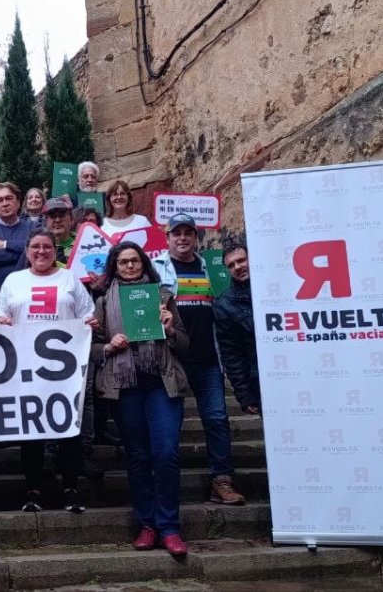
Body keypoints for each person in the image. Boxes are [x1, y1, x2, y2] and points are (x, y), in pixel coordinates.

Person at [93, 242, 190, 557]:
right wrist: (109, 345)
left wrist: (171, 329)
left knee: (165, 453)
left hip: (162, 383)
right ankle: (148, 525)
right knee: (137, 456)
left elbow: (186, 344)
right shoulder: (103, 301)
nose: (130, 266)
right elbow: (90, 346)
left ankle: (170, 527)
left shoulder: (162, 296)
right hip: (125, 386)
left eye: (135, 261)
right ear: (115, 266)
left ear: (144, 264)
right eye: (123, 262)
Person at [0, 229, 97, 513]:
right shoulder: (13, 280)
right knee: (31, 431)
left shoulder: (70, 279)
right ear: (27, 251)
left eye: (47, 247)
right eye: (35, 247)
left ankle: (70, 488)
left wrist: (90, 325)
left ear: (55, 250)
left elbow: (87, 315)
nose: (41, 251)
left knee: (68, 429)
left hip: (64, 367)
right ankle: (33, 489)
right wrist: (2, 322)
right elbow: (2, 314)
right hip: (26, 366)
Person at [152, 213, 245, 506]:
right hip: (172, 359)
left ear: (196, 237)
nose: (182, 238)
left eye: (188, 233)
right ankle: (167, 485)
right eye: (176, 233)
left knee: (217, 419)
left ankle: (222, 481)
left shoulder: (212, 268)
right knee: (170, 424)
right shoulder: (155, 268)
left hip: (208, 358)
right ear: (167, 238)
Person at [214, 243, 260, 415]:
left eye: (241, 260)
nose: (237, 267)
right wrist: (244, 394)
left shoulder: (280, 287)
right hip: (260, 383)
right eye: (231, 265)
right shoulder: (224, 305)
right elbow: (232, 354)